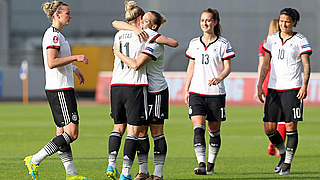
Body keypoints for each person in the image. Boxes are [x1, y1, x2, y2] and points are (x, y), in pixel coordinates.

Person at [24, 1, 90, 180]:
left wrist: (74, 70)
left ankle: (71, 174)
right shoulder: (53, 35)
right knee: (72, 133)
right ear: (57, 15)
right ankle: (35, 159)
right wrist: (76, 58)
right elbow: (52, 62)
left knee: (61, 132)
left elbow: (58, 59)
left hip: (60, 87)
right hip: (60, 89)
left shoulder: (58, 35)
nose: (70, 16)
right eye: (67, 13)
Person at [106, 1, 170, 180]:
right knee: (140, 132)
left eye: (147, 21)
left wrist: (117, 53)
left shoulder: (150, 37)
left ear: (152, 25)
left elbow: (172, 42)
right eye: (143, 20)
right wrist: (134, 30)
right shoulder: (136, 33)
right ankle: (143, 171)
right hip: (139, 90)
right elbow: (116, 23)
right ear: (139, 19)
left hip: (155, 91)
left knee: (156, 132)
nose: (143, 24)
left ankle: (158, 173)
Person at [257, 8, 311, 175]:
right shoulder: (272, 39)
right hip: (273, 89)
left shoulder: (300, 40)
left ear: (294, 22)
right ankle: (283, 154)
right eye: (281, 21)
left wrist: (304, 85)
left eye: (287, 21)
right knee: (269, 129)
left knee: (290, 126)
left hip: (292, 88)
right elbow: (266, 63)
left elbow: (306, 65)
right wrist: (259, 85)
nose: (283, 24)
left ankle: (287, 163)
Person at [184, 8, 235, 175]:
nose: (205, 23)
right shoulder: (194, 43)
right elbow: (191, 67)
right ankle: (201, 164)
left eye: (208, 20)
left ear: (215, 22)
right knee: (198, 128)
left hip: (216, 94)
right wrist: (186, 89)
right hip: (196, 92)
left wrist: (219, 78)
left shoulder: (223, 43)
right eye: (202, 20)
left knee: (214, 131)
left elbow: (228, 67)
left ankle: (211, 163)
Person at [257, 19, 286, 157]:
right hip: (282, 82)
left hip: (267, 82)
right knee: (283, 119)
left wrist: (259, 84)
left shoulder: (264, 44)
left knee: (270, 117)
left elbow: (261, 65)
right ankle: (279, 148)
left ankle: (272, 143)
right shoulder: (283, 43)